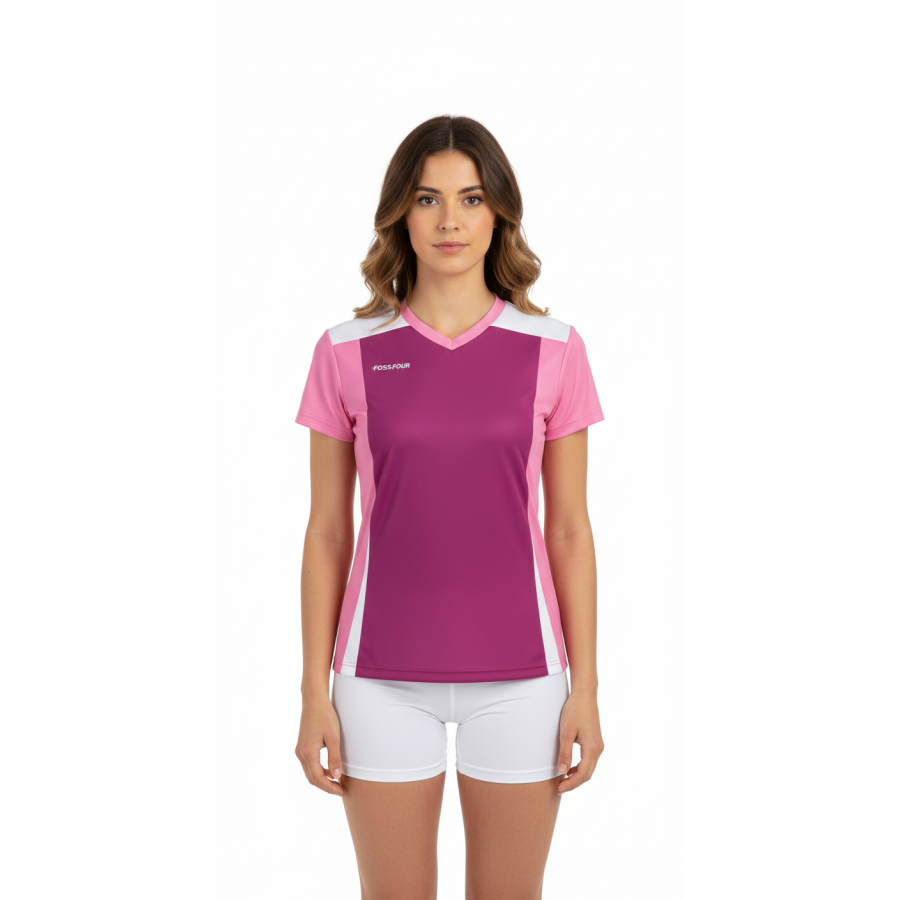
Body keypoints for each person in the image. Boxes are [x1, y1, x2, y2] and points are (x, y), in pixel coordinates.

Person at [293, 114, 606, 899]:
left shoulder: (556, 348)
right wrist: (312, 693)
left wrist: (587, 689)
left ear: (499, 212)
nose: (450, 221)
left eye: (470, 198)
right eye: (427, 199)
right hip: (377, 681)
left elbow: (570, 530)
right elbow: (327, 532)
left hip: (526, 680)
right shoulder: (345, 351)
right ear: (401, 213)